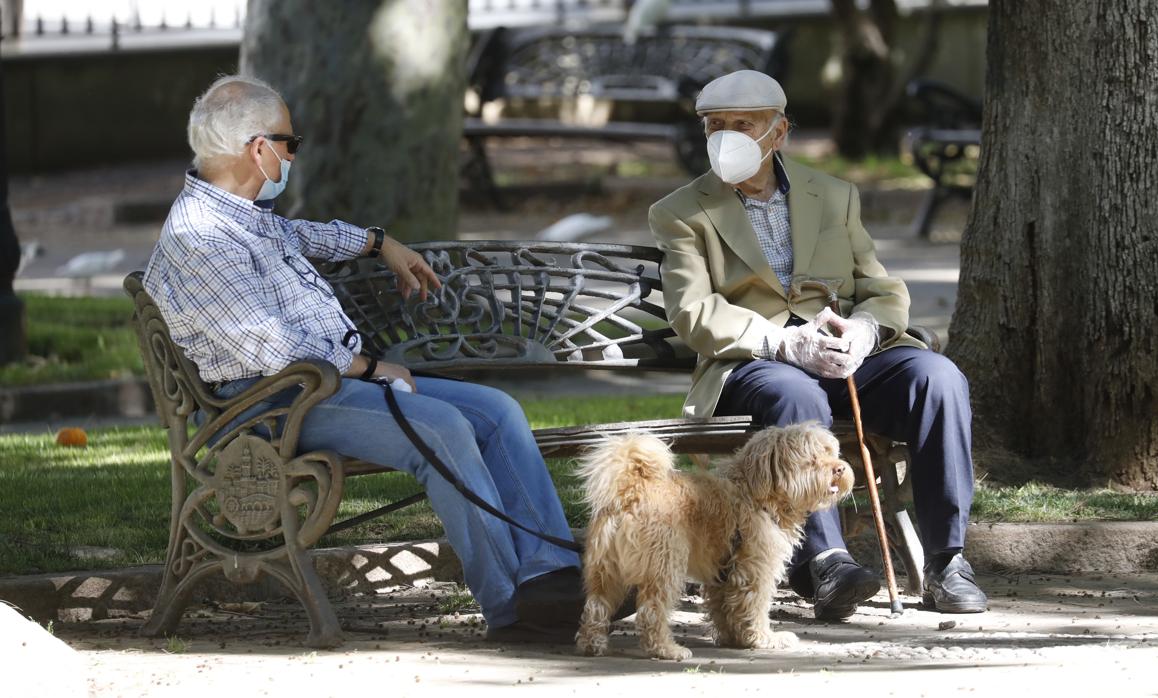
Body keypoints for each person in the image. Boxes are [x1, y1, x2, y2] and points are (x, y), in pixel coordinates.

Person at [144, 74, 587, 642]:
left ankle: (553, 580)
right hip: (267, 405)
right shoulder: (201, 237)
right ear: (260, 149)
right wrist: (374, 370)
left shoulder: (241, 216)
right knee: (445, 428)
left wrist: (379, 244)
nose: (293, 154)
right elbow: (271, 348)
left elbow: (305, 235)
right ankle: (511, 609)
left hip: (317, 389)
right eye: (290, 143)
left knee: (497, 411)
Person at [648, 70, 987, 619]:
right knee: (796, 398)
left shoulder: (832, 195)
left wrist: (867, 331)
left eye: (742, 125)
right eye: (714, 126)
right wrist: (782, 343)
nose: (724, 137)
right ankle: (828, 564)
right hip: (756, 367)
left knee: (939, 378)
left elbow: (881, 288)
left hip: (844, 358)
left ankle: (947, 561)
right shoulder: (680, 211)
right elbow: (694, 312)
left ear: (777, 133)